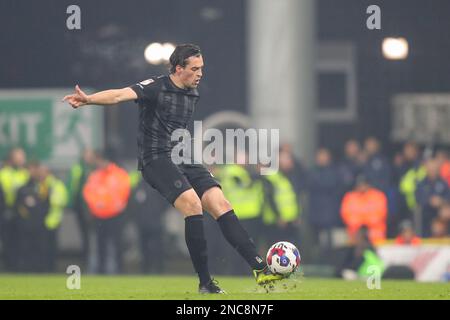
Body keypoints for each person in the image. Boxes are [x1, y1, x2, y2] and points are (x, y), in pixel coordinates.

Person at [63, 43, 282, 293]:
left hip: (184, 157)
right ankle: (206, 282)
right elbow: (119, 95)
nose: (200, 74)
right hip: (155, 159)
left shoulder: (193, 92)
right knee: (193, 204)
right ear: (178, 69)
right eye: (195, 69)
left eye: (202, 68)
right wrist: (89, 100)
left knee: (221, 204)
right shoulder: (156, 87)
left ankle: (261, 271)